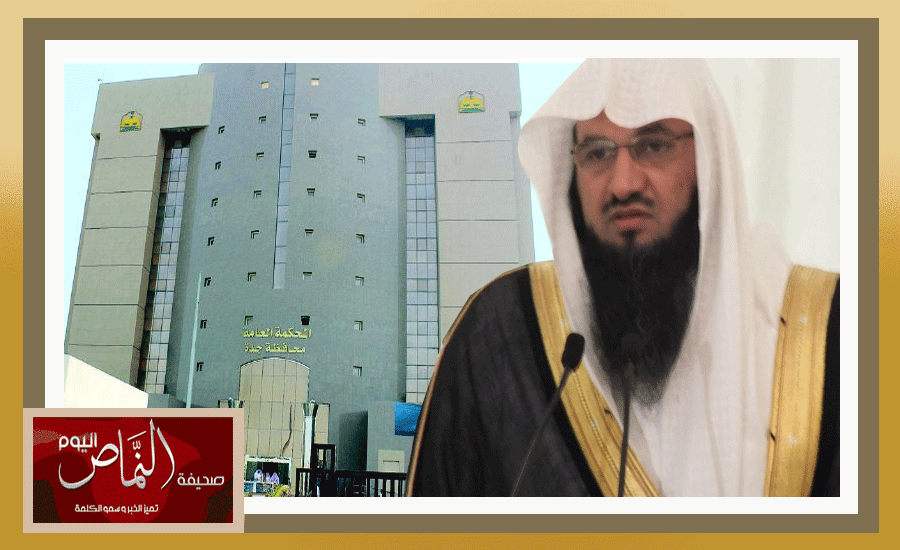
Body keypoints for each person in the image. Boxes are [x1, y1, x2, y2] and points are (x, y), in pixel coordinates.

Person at [406, 59, 839, 497]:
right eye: (597, 153)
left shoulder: (832, 333)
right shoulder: (500, 334)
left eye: (653, 145)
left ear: (707, 158)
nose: (623, 184)